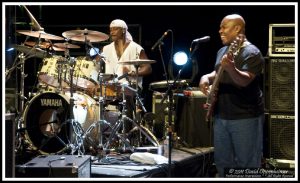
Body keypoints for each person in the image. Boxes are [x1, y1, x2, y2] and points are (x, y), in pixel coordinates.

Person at [199, 14, 264, 177]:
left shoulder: (252, 52)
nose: (220, 31)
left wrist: (232, 69)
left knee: (246, 164)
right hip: (221, 116)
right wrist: (205, 77)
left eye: (224, 27)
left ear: (237, 29)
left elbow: (244, 81)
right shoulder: (223, 50)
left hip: (245, 117)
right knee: (223, 163)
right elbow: (217, 71)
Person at [99, 19, 152, 134]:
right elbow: (97, 66)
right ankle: (101, 135)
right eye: (110, 30)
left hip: (131, 87)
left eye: (115, 29)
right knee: (96, 97)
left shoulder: (136, 48)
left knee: (126, 97)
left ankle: (126, 135)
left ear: (123, 30)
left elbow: (148, 68)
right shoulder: (106, 49)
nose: (112, 32)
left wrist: (134, 73)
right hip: (111, 86)